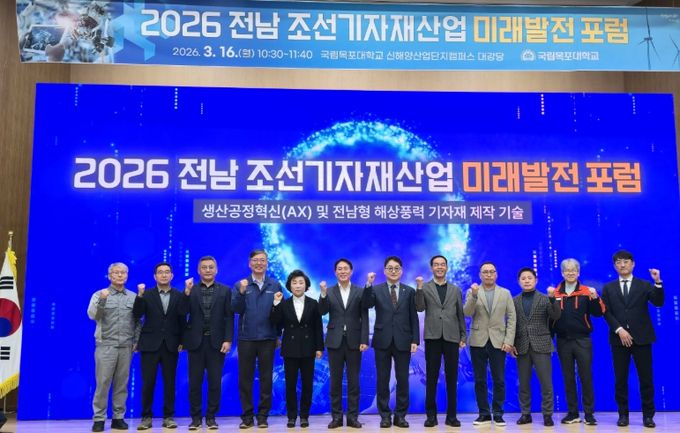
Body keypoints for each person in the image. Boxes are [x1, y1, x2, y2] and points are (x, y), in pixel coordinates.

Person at [601, 250, 664, 428]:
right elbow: (606, 312)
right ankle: (623, 415)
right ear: (614, 266)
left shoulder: (644, 285)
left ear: (633, 264)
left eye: (626, 261)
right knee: (620, 379)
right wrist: (619, 329)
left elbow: (658, 302)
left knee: (646, 378)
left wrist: (658, 282)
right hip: (619, 340)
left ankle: (648, 416)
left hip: (642, 338)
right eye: (618, 262)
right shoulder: (608, 288)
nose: (622, 265)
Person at [362, 256, 419, 428]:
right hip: (382, 340)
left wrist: (415, 339)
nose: (393, 271)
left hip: (403, 340)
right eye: (390, 268)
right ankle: (385, 416)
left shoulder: (409, 291)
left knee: (403, 379)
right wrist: (368, 284)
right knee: (383, 379)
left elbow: (413, 317)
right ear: (384, 271)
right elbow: (366, 304)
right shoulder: (376, 289)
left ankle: (400, 416)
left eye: (396, 268)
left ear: (401, 270)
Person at [232, 250, 283, 429]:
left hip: (268, 338)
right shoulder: (241, 284)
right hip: (246, 338)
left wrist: (278, 335)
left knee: (266, 378)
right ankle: (247, 416)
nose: (259, 263)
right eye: (255, 260)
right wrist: (241, 292)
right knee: (245, 379)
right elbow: (235, 308)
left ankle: (262, 416)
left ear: (267, 263)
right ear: (249, 263)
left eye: (262, 260)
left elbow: (279, 313)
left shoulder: (275, 285)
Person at [550, 258, 605, 426]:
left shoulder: (587, 291)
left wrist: (595, 298)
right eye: (567, 270)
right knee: (568, 378)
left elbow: (598, 313)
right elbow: (550, 317)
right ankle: (573, 413)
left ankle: (589, 414)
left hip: (582, 340)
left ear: (578, 272)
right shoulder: (555, 292)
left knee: (585, 376)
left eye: (573, 270)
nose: (570, 273)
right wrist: (551, 299)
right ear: (562, 273)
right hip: (563, 341)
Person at [133, 262, 187, 430]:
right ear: (155, 276)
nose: (164, 275)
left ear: (172, 275)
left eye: (167, 272)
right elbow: (137, 314)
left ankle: (168, 417)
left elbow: (182, 319)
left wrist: (182, 341)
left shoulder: (178, 295)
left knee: (170, 382)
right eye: (160, 272)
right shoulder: (147, 294)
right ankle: (146, 417)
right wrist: (139, 296)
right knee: (148, 382)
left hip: (171, 345)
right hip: (149, 344)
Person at [87, 262, 139, 432]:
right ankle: (99, 419)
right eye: (116, 272)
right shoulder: (99, 294)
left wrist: (136, 341)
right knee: (103, 383)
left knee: (121, 384)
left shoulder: (132, 297)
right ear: (109, 276)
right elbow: (93, 315)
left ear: (127, 275)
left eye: (123, 272)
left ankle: (118, 418)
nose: (120, 275)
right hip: (105, 346)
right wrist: (103, 300)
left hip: (126, 347)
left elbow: (137, 321)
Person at [414, 255, 466, 427]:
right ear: (432, 268)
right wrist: (419, 288)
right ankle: (431, 416)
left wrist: (463, 336)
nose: (439, 267)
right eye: (436, 265)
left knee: (452, 377)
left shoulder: (455, 290)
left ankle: (452, 416)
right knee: (431, 376)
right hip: (433, 337)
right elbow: (419, 307)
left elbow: (460, 314)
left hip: (452, 337)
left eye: (442, 264)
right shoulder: (425, 287)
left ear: (447, 267)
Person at [183, 256, 233, 430]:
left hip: (217, 343)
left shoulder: (225, 290)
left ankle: (211, 417)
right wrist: (186, 293)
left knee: (215, 382)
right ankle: (195, 418)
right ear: (199, 270)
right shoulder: (191, 290)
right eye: (204, 267)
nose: (208, 270)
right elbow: (182, 313)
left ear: (216, 270)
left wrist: (228, 339)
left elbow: (229, 317)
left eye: (211, 267)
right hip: (195, 343)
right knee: (194, 383)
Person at [463, 261, 516, 427]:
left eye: (491, 271)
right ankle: (484, 414)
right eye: (485, 272)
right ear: (480, 275)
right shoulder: (472, 291)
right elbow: (467, 312)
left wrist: (509, 341)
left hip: (498, 342)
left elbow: (512, 318)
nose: (488, 274)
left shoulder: (505, 293)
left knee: (499, 379)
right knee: (480, 380)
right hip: (477, 341)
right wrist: (474, 295)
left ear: (496, 274)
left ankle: (498, 413)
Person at [318, 258, 369, 429]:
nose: (343, 271)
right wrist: (323, 294)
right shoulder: (329, 291)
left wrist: (364, 339)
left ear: (351, 271)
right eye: (339, 269)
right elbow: (322, 311)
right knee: (335, 381)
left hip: (355, 341)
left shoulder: (360, 291)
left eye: (346, 268)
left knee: (354, 381)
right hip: (335, 341)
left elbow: (364, 317)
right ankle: (337, 417)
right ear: (335, 272)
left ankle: (353, 417)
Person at [270, 270, 324, 428]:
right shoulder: (284, 303)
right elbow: (275, 321)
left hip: (308, 348)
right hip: (290, 349)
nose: (298, 286)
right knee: (290, 384)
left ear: (306, 285)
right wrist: (275, 303)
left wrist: (319, 348)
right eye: (294, 283)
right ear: (289, 286)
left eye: (301, 282)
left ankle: (304, 416)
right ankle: (291, 416)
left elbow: (318, 328)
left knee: (307, 384)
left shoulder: (313, 303)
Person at [511, 267, 561, 427]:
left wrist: (553, 299)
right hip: (521, 346)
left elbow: (556, 315)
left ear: (536, 280)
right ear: (519, 282)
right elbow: (511, 324)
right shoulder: (514, 301)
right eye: (523, 278)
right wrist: (511, 344)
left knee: (546, 383)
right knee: (523, 383)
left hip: (542, 345)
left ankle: (547, 415)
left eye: (529, 278)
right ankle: (525, 414)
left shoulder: (545, 299)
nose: (526, 281)